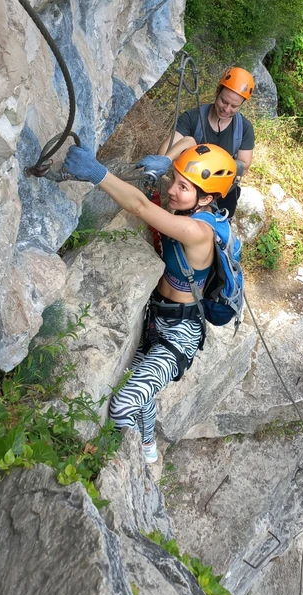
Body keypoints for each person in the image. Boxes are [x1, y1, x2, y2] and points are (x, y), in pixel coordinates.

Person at [62, 140, 238, 465]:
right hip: (156, 318)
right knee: (142, 391)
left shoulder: (197, 231)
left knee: (123, 403)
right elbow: (189, 141)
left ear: (207, 198)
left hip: (178, 337)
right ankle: (147, 449)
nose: (172, 189)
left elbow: (141, 208)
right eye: (174, 179)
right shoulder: (190, 209)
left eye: (183, 187)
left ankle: (111, 465)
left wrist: (97, 173)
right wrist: (165, 161)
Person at [158, 66, 255, 218]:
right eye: (224, 101)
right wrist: (165, 159)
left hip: (222, 191)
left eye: (234, 106)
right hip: (189, 187)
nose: (226, 109)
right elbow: (167, 149)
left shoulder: (244, 128)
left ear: (241, 105)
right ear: (217, 92)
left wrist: (215, 166)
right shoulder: (193, 117)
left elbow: (244, 163)